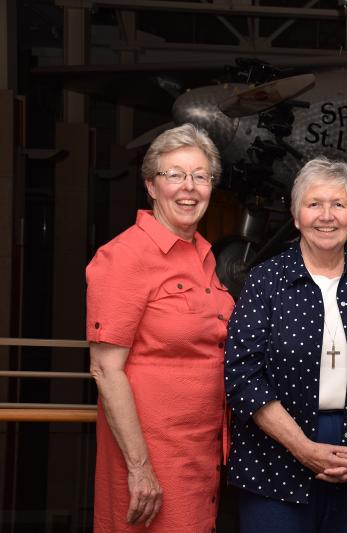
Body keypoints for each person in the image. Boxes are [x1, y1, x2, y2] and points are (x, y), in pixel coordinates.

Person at [224, 157, 347, 533]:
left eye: (339, 204)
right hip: (274, 462)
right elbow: (242, 375)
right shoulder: (265, 280)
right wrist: (303, 448)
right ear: (296, 216)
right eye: (314, 204)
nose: (326, 216)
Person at [86, 123, 234, 531]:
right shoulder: (124, 257)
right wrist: (140, 468)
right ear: (151, 186)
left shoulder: (203, 256)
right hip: (152, 456)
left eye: (200, 176)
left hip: (200, 453)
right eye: (174, 175)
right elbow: (104, 369)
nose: (189, 188)